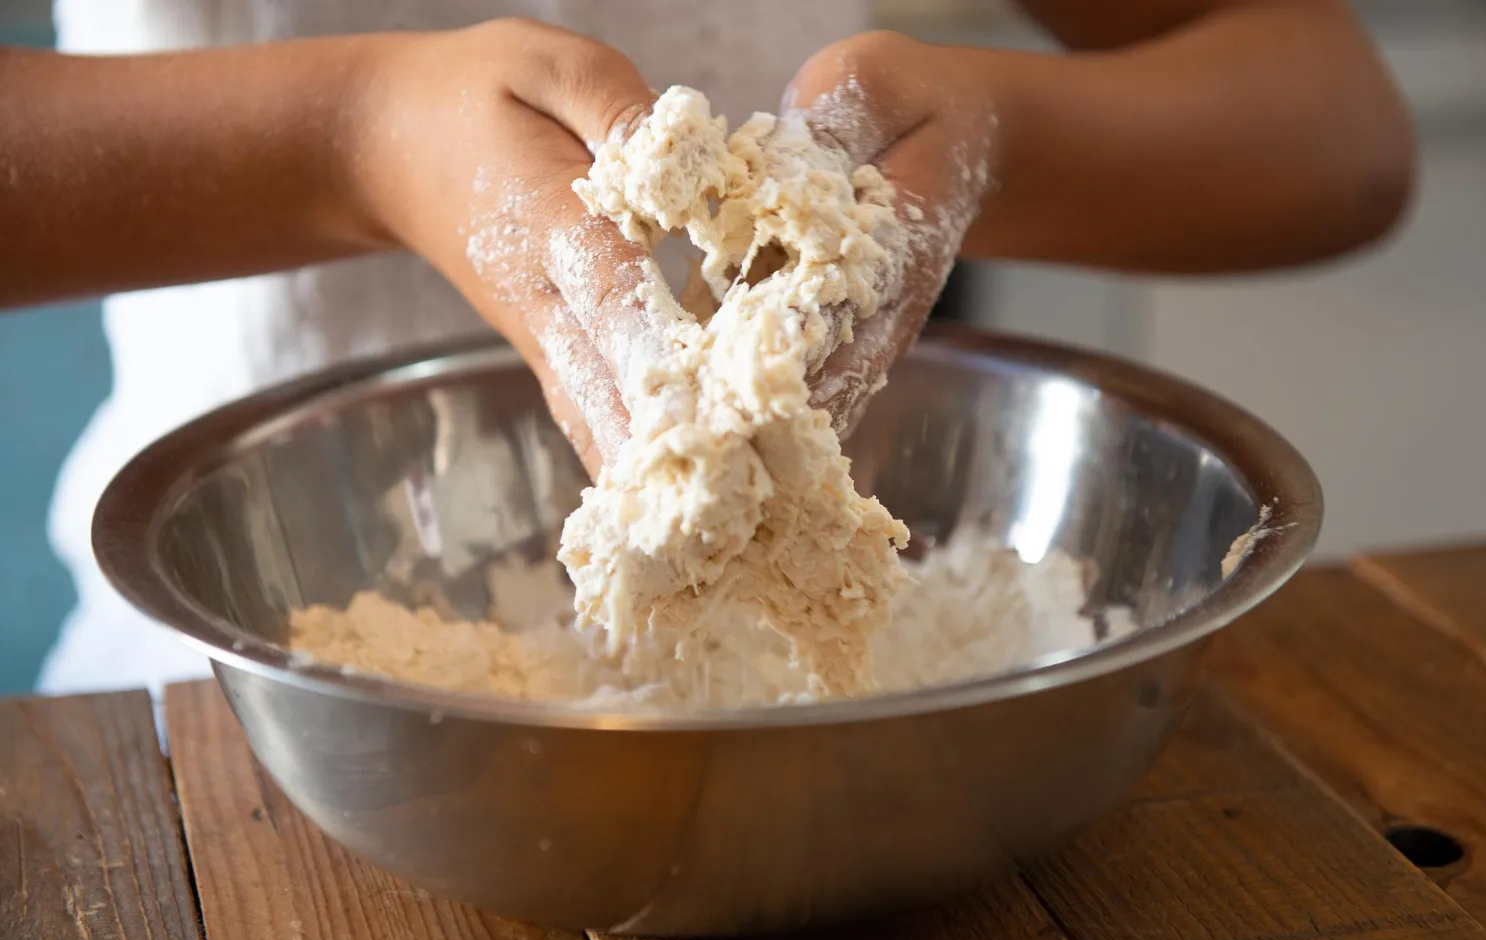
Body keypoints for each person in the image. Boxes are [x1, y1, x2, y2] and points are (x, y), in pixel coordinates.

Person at [1, 0, 1412, 698]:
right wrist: (348, 136)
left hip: (841, 723)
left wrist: (1002, 133)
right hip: (225, 703)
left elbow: (1339, 126)